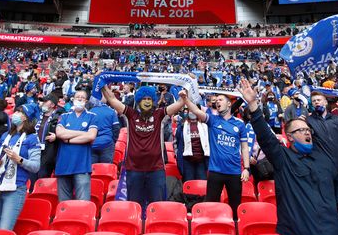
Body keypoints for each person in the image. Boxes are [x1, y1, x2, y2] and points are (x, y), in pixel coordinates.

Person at [239, 77, 338, 235]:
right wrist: (253, 105)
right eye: (301, 130)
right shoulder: (284, 158)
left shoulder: (324, 158)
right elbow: (266, 138)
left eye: (308, 130)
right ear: (289, 137)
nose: (307, 132)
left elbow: (337, 184)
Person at [102, 84, 184, 213]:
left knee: (157, 206)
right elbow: (112, 100)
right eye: (144, 99)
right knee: (135, 206)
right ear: (139, 101)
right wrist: (102, 83)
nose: (147, 101)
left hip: (156, 169)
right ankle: (137, 231)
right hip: (134, 169)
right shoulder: (130, 114)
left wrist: (187, 88)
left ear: (153, 101)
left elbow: (179, 103)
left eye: (149, 99)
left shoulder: (159, 115)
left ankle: (155, 231)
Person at [183, 91, 249, 220]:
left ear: (229, 104)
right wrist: (185, 99)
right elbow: (196, 112)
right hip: (215, 171)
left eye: (220, 99)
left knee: (235, 208)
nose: (217, 101)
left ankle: (234, 234)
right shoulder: (212, 120)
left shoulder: (240, 124)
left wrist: (246, 168)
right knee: (211, 206)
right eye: (216, 100)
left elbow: (245, 147)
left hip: (234, 172)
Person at [0, 111, 41, 230]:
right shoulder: (5, 135)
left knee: (4, 230)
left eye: (19, 112)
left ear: (25, 118)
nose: (15, 114)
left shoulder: (32, 138)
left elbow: (36, 166)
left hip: (15, 188)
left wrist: (19, 159)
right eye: (15, 111)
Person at [54, 90, 99, 201]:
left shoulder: (92, 116)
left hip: (82, 166)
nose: (79, 99)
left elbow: (91, 136)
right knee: (63, 204)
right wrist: (83, 133)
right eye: (77, 97)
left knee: (82, 203)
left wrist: (68, 139)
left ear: (86, 101)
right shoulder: (64, 116)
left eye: (82, 97)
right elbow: (59, 133)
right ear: (73, 99)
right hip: (63, 164)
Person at [175, 109, 210, 181]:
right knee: (188, 184)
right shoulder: (181, 127)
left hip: (201, 160)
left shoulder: (205, 127)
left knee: (201, 185)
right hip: (187, 161)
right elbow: (177, 143)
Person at [89, 94, 119, 164]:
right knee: (105, 170)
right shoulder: (111, 111)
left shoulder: (89, 112)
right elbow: (116, 129)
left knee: (92, 170)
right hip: (107, 144)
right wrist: (113, 140)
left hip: (92, 144)